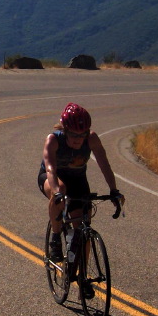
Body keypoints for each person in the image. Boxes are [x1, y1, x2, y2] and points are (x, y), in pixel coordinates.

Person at [38, 102, 123, 261]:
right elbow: (50, 170)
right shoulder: (53, 140)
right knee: (60, 190)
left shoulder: (91, 139)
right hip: (52, 178)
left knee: (83, 230)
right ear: (65, 130)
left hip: (77, 180)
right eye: (74, 135)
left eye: (82, 134)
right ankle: (55, 239)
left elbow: (104, 165)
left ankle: (81, 272)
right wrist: (57, 192)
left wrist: (114, 190)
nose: (78, 139)